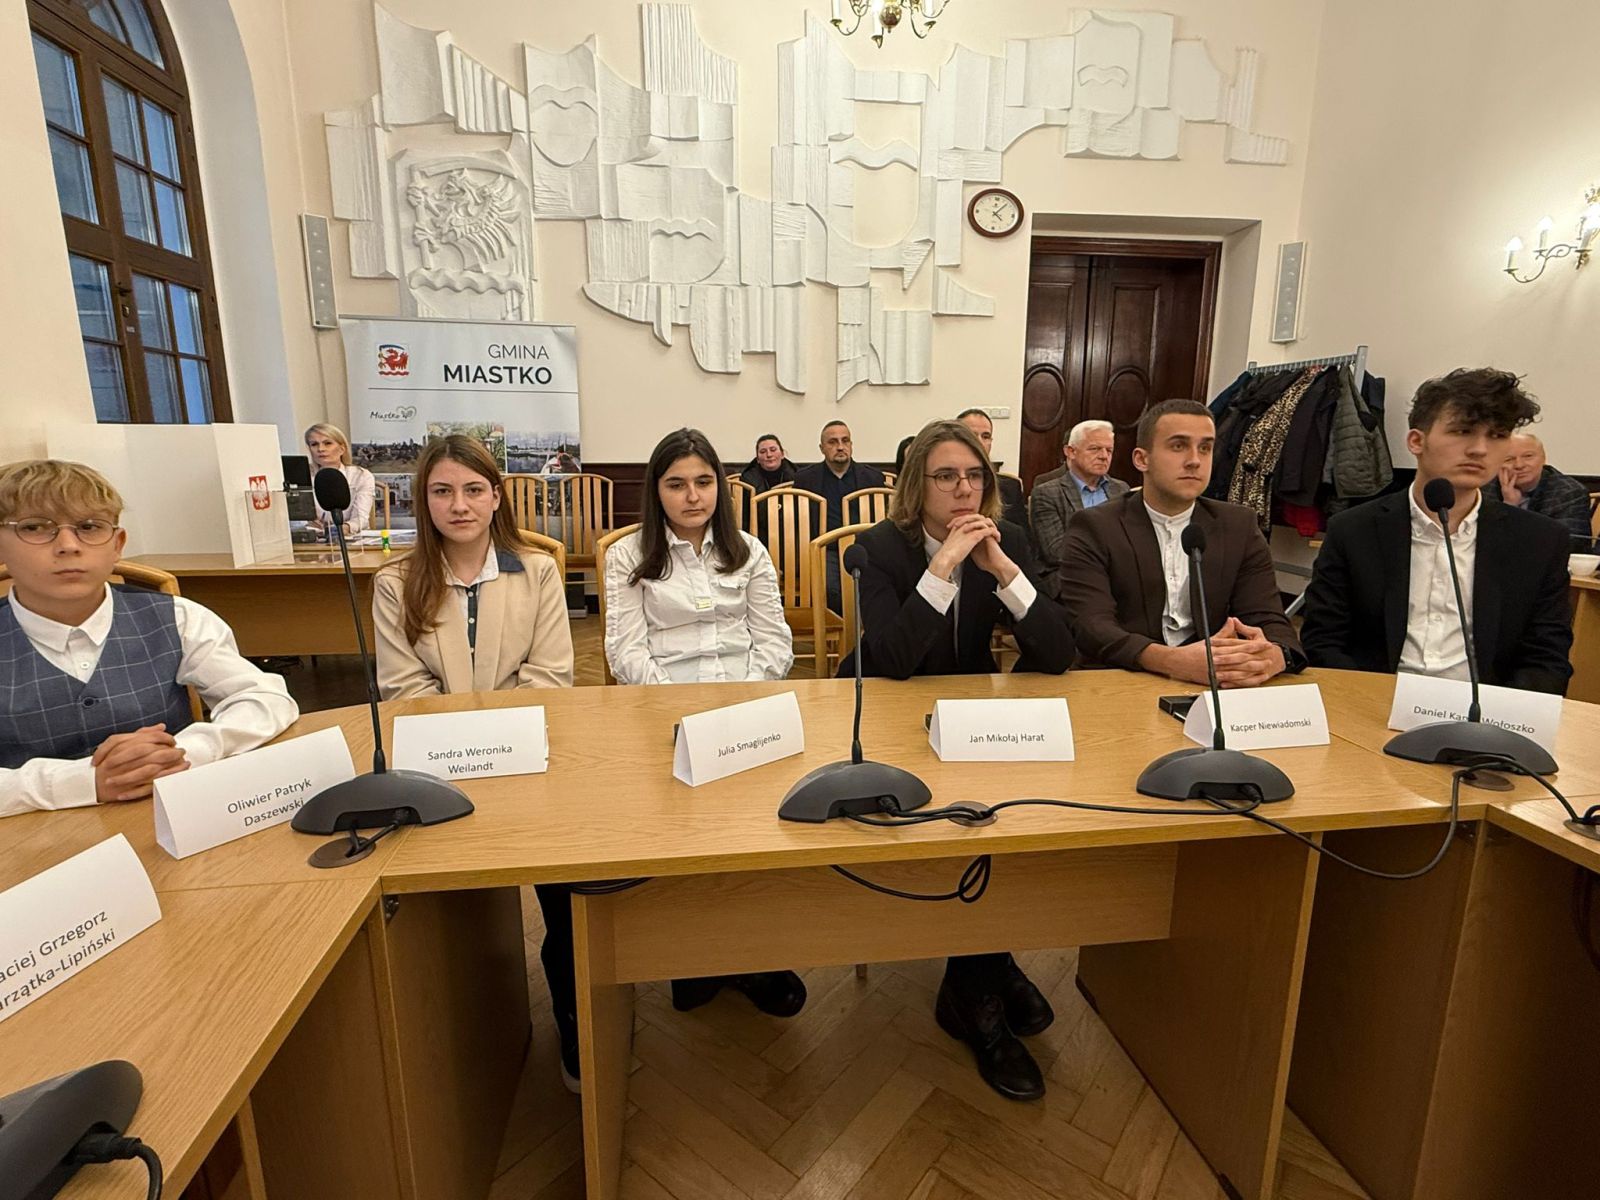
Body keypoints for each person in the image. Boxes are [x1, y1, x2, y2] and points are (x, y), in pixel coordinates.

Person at [850, 420, 1074, 1102]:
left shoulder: (1007, 542)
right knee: (966, 821)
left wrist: (1002, 571)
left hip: (970, 716)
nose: (964, 489)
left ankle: (985, 964)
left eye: (975, 476)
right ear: (917, 486)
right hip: (888, 716)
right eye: (946, 476)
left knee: (1005, 813)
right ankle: (977, 990)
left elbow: (1059, 656)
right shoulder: (879, 549)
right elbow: (892, 661)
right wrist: (942, 566)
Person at [370, 435, 581, 1087]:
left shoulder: (537, 570)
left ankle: (574, 1019)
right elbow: (402, 690)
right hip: (438, 765)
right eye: (442, 491)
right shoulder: (394, 583)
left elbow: (551, 675)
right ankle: (460, 1044)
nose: (458, 505)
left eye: (472, 490)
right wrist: (466, 737)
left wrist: (495, 733)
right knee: (440, 911)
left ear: (496, 497)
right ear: (424, 500)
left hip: (528, 755)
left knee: (564, 897)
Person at [603, 428, 807, 1018]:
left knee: (755, 837)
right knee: (685, 841)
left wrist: (741, 706)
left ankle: (757, 955)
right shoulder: (628, 556)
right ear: (656, 491)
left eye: (703, 481)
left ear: (720, 485)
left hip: (747, 711)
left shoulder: (749, 551)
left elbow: (775, 642)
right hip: (664, 716)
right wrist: (685, 715)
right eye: (676, 484)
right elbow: (625, 652)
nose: (692, 496)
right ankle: (693, 956)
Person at [0, 460, 298, 819]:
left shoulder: (178, 617)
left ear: (117, 544)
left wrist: (184, 750)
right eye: (34, 527)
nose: (68, 545)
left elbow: (266, 699)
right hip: (32, 838)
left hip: (172, 819)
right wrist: (84, 781)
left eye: (89, 527)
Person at [1300, 368, 1573, 693]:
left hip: (1486, 711)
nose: (1479, 449)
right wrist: (1370, 703)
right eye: (1462, 431)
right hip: (1373, 701)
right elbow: (1323, 641)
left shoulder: (1541, 540)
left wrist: (1499, 715)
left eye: (1497, 435)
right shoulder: (1353, 530)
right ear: (1417, 441)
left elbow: (1547, 658)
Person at [1056, 400, 1305, 685]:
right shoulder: (1095, 526)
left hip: (1217, 680)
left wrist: (1271, 656)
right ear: (1141, 459)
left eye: (1205, 448)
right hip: (1120, 680)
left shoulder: (1239, 525)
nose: (1195, 460)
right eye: (1178, 446)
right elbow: (1092, 626)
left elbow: (1268, 618)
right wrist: (1172, 661)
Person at [794, 421, 887, 608]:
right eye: (833, 442)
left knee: (876, 588)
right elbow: (798, 524)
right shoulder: (805, 480)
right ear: (822, 448)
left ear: (851, 445)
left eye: (845, 441)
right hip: (825, 550)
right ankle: (839, 628)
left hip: (865, 548)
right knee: (829, 590)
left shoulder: (872, 478)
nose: (840, 447)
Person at [1029, 419, 1129, 588]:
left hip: (1117, 577)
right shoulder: (1047, 493)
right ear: (1071, 452)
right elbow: (1056, 552)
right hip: (1070, 578)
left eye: (1109, 450)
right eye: (1095, 449)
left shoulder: (1121, 489)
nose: (1104, 456)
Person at [1481, 431, 1595, 552]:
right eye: (1509, 459)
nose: (1519, 465)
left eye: (1528, 456)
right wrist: (1509, 504)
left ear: (1543, 459)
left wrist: (1513, 513)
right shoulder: (1485, 487)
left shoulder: (1568, 492)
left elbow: (1566, 543)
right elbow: (1480, 539)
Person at [956, 408, 1028, 530]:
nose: (979, 442)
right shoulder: (944, 482)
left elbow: (1023, 537)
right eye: (972, 435)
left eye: (986, 436)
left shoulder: (1010, 487)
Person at [304, 423, 377, 535]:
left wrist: (345, 528)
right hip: (313, 538)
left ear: (342, 449)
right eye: (314, 444)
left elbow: (360, 518)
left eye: (327, 443)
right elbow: (295, 519)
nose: (320, 449)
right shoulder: (303, 476)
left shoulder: (361, 476)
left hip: (351, 537)